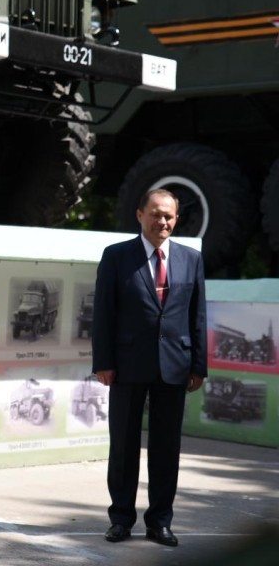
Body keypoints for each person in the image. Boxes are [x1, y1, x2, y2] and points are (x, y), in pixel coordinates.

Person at [92, 188, 207, 548]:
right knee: (123, 445)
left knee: (166, 448)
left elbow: (198, 315)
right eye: (156, 214)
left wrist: (199, 364)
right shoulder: (116, 256)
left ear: (176, 219)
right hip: (126, 366)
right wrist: (104, 362)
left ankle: (160, 522)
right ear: (140, 215)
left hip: (175, 365)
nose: (163, 222)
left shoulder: (191, 259)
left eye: (169, 216)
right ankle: (121, 519)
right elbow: (103, 314)